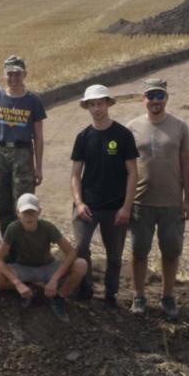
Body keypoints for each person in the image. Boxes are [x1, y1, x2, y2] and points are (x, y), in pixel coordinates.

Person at [126, 77, 189, 319]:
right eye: (150, 96)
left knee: (171, 251)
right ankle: (139, 295)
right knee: (139, 250)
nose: (155, 100)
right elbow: (125, 166)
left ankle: (167, 295)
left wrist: (188, 199)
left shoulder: (180, 126)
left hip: (172, 202)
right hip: (141, 202)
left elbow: (187, 165)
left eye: (159, 96)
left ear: (166, 98)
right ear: (143, 98)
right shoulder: (131, 127)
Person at [69, 84, 138, 308]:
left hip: (115, 206)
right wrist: (79, 203)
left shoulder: (123, 135)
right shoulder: (82, 137)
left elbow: (133, 173)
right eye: (92, 104)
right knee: (80, 247)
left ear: (108, 103)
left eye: (100, 103)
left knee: (115, 255)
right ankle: (85, 288)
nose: (97, 108)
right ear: (87, 107)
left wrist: (127, 207)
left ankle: (111, 293)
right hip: (88, 204)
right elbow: (75, 175)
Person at [0, 193, 87, 322]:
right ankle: (31, 289)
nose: (29, 217)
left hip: (47, 267)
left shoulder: (47, 227)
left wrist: (55, 279)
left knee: (81, 264)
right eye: (25, 213)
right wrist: (17, 283)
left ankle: (59, 297)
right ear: (18, 213)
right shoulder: (13, 229)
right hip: (23, 268)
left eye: (32, 212)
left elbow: (71, 253)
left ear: (39, 212)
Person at [0, 54, 46, 234]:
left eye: (17, 74)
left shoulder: (33, 100)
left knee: (24, 201)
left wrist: (38, 167)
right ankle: (7, 243)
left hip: (22, 153)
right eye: (9, 74)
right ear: (4, 75)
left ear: (24, 74)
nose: (13, 78)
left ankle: (24, 242)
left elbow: (39, 137)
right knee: (1, 201)